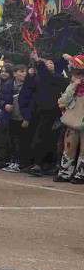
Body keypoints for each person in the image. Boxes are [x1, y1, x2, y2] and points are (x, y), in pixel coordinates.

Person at [25, 50, 68, 177]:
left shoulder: (58, 77)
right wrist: (30, 76)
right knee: (35, 137)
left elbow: (47, 76)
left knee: (46, 138)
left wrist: (38, 61)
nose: (48, 64)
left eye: (50, 63)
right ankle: (34, 163)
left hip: (51, 112)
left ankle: (43, 164)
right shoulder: (39, 77)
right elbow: (29, 90)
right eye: (46, 62)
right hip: (37, 110)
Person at [0, 65, 31, 171]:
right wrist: (5, 105)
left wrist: (27, 118)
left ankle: (20, 162)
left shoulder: (29, 86)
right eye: (21, 71)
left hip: (22, 118)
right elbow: (0, 100)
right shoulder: (8, 85)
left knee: (21, 141)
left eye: (26, 72)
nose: (24, 73)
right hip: (10, 118)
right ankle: (12, 161)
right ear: (14, 74)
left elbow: (31, 104)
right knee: (11, 140)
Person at [55, 55, 84, 184]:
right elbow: (64, 100)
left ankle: (80, 174)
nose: (75, 75)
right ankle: (65, 173)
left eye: (78, 73)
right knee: (69, 147)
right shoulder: (73, 86)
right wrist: (73, 86)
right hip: (72, 121)